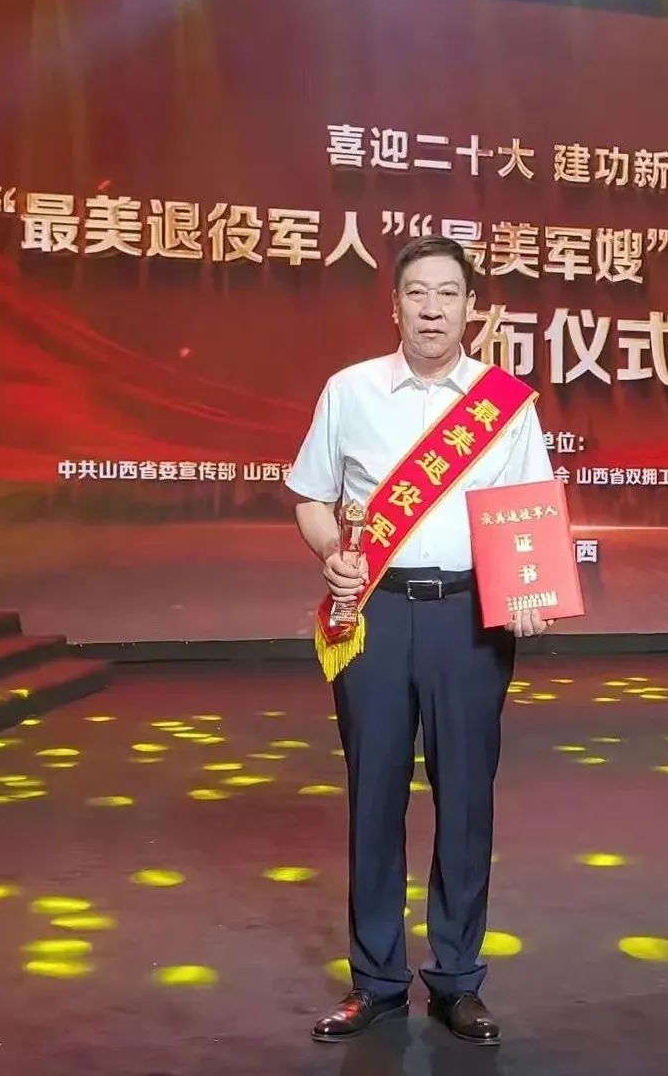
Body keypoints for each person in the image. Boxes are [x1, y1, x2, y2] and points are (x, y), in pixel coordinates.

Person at [286, 234, 554, 1046]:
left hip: (469, 620)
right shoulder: (350, 391)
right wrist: (332, 553)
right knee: (373, 795)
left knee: (465, 800)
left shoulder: (504, 404)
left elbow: (530, 509)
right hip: (376, 613)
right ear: (395, 306)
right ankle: (374, 981)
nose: (432, 308)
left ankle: (456, 981)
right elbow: (310, 495)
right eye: (417, 293)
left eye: (447, 293)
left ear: (471, 308)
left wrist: (531, 592)